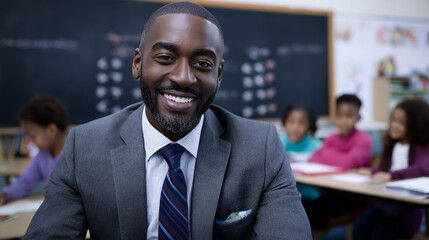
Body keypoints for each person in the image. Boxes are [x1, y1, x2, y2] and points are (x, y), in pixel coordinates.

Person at [25, 2, 312, 239]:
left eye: (202, 64)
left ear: (219, 75)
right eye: (164, 57)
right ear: (137, 63)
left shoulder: (259, 147)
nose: (183, 77)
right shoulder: (85, 147)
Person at [353, 98, 429, 239]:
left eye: (401, 122)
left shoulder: (421, 147)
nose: (394, 125)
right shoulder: (393, 145)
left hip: (405, 212)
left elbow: (422, 168)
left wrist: (390, 176)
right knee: (359, 227)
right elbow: (383, 170)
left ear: (417, 125)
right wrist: (373, 172)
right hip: (386, 204)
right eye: (393, 120)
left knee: (378, 236)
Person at [0, 95, 68, 205]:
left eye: (33, 136)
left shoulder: (72, 154)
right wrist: (5, 193)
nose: (30, 140)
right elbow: (25, 181)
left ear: (51, 130)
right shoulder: (43, 154)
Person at [309, 94, 372, 169]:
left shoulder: (364, 139)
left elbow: (350, 163)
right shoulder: (332, 137)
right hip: (330, 179)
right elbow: (313, 158)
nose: (343, 121)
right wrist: (344, 157)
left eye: (349, 116)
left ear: (358, 118)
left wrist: (328, 153)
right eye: (339, 115)